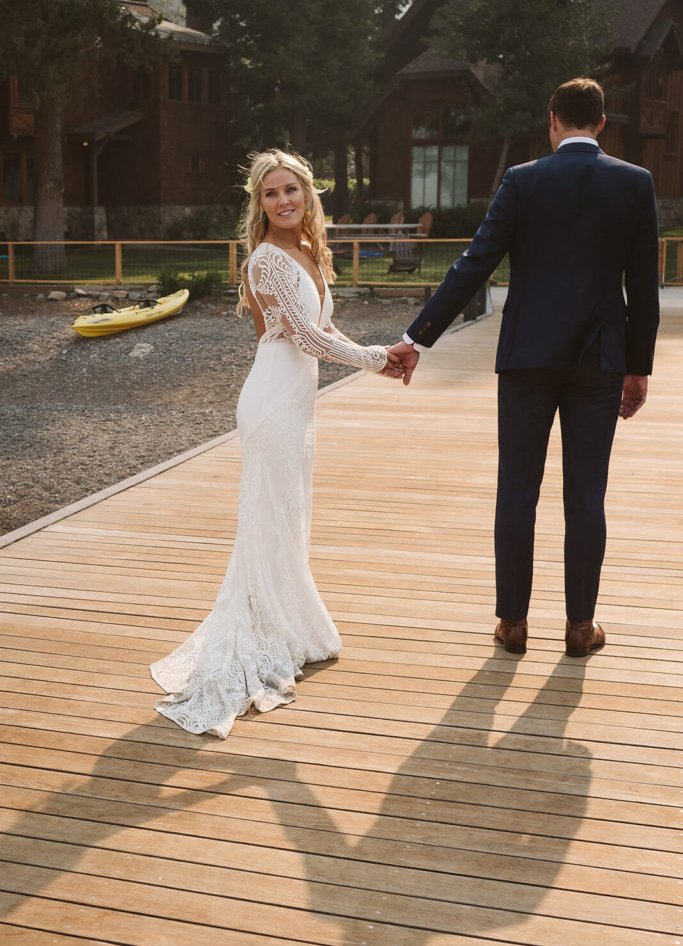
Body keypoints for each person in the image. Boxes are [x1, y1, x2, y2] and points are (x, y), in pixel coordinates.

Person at [389, 78, 660, 658]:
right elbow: (643, 286)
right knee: (587, 493)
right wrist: (639, 368)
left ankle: (512, 623)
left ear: (553, 121)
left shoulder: (523, 180)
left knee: (518, 489)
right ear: (603, 124)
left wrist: (418, 337)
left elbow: (474, 264)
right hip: (599, 361)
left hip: (526, 360)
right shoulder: (635, 184)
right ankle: (581, 628)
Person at [151, 149, 403, 736]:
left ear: (308, 194)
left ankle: (287, 624)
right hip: (270, 404)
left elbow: (322, 329)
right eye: (271, 193)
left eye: (292, 189)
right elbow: (304, 339)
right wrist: (373, 360)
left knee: (289, 516)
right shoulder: (265, 260)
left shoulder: (309, 252)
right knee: (268, 517)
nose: (283, 200)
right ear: (258, 204)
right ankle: (265, 634)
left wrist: (378, 357)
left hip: (297, 403)